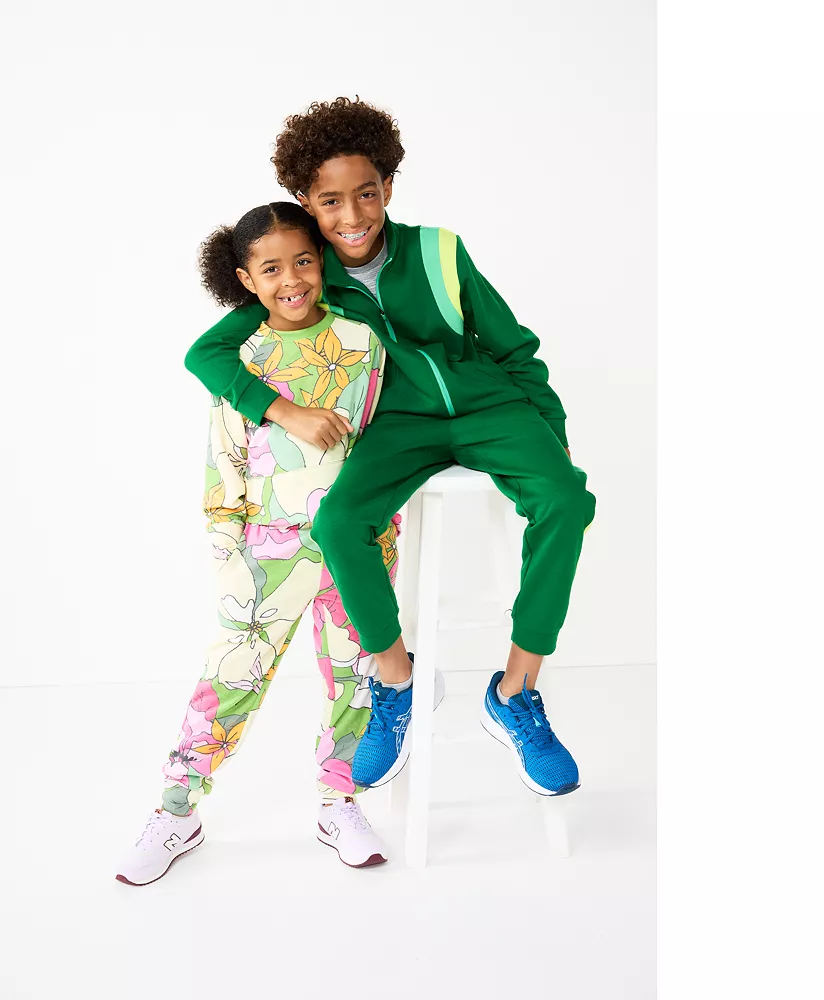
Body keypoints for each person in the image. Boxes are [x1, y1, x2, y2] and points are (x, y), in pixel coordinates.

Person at [183, 98, 596, 800]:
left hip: (489, 405)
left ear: (389, 188)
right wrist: (284, 411)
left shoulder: (439, 250)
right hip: (394, 424)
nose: (352, 215)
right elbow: (207, 353)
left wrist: (549, 438)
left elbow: (513, 348)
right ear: (307, 204)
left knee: (566, 499)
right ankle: (396, 681)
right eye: (330, 201)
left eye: (366, 194)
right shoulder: (307, 272)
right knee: (340, 522)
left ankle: (516, 689)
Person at [116, 202, 406, 886]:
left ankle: (340, 803)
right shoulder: (240, 359)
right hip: (266, 549)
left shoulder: (364, 340)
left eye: (303, 261)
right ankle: (176, 811)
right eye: (271, 269)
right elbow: (224, 458)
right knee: (228, 680)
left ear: (322, 261)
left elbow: (386, 435)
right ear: (246, 280)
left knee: (355, 677)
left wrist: (385, 527)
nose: (291, 280)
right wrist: (228, 550)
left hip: (358, 546)